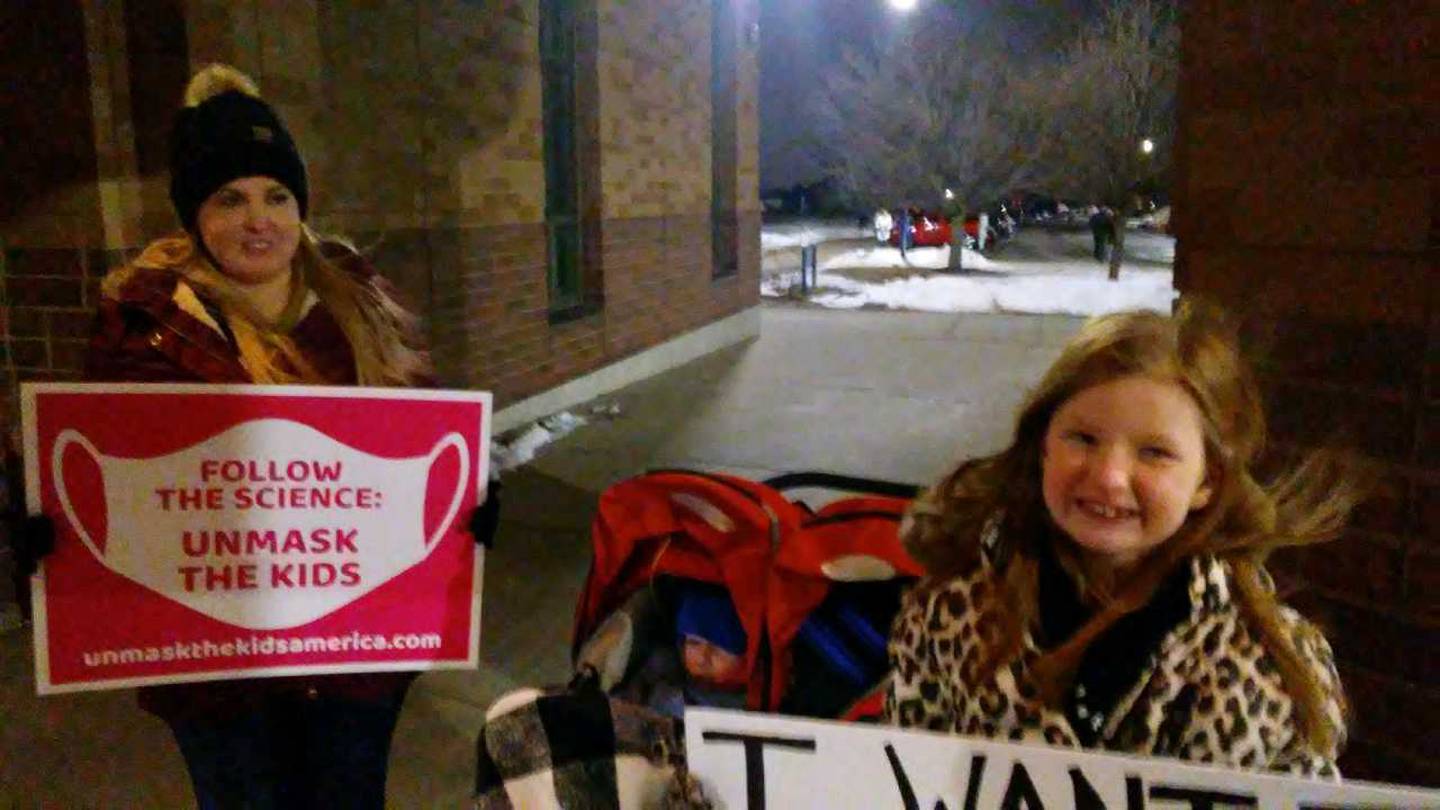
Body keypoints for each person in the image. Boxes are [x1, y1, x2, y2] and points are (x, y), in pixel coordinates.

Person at [8, 63, 497, 808]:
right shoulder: (139, 323)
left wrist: (470, 510)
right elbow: (93, 469)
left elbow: (422, 440)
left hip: (353, 656)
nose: (258, 219)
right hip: (213, 664)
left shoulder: (363, 305)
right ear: (193, 213)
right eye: (229, 198)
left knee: (349, 797)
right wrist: (48, 538)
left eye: (276, 195)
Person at [885, 303, 1363, 777]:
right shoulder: (950, 614)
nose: (1110, 477)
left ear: (1208, 482)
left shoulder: (1264, 660)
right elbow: (903, 773)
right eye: (1083, 439)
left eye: (1154, 452)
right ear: (1043, 447)